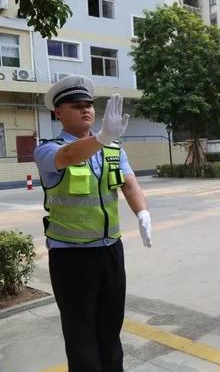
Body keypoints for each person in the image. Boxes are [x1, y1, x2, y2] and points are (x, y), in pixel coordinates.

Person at [34, 75, 152, 372]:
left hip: (110, 250)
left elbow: (129, 184)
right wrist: (100, 138)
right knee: (81, 335)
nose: (87, 110)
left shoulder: (114, 149)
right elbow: (70, 155)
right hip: (72, 256)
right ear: (58, 113)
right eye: (77, 106)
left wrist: (143, 212)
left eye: (89, 105)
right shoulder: (48, 149)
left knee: (110, 330)